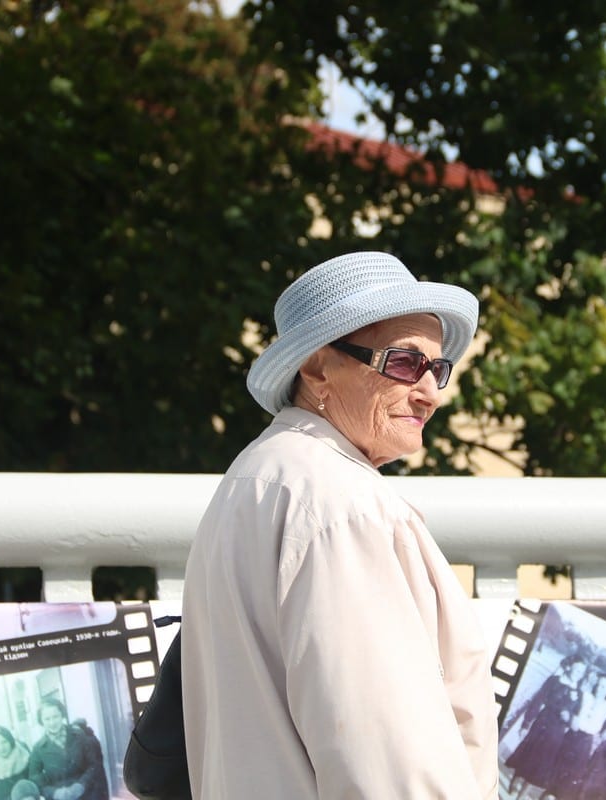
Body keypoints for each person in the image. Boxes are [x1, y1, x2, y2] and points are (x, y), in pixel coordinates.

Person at [181, 251, 498, 798]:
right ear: (318, 366)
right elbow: (388, 760)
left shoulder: (254, 478)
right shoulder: (340, 503)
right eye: (402, 363)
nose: (431, 393)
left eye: (437, 368)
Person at [504, 657, 588, 800]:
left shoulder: (579, 693)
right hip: (542, 724)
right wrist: (526, 723)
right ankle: (516, 779)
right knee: (528, 756)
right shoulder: (554, 680)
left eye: (581, 671)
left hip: (557, 733)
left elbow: (576, 715)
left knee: (541, 765)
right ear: (570, 667)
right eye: (577, 669)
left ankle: (522, 794)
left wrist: (569, 718)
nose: (578, 673)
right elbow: (538, 700)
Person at [548, 672, 606, 800]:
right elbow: (569, 708)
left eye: (603, 687)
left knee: (569, 780)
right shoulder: (585, 696)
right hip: (572, 736)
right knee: (555, 774)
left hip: (586, 742)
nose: (599, 688)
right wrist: (572, 717)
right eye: (598, 684)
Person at [26, 698, 109, 800]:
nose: (52, 723)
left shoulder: (79, 736)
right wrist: (54, 793)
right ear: (41, 721)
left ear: (62, 715)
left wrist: (81, 785)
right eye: (47, 719)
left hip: (88, 794)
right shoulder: (38, 749)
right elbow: (35, 779)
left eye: (55, 717)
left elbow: (94, 765)